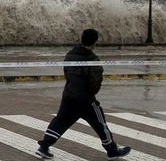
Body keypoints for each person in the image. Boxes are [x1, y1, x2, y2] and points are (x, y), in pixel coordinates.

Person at [36, 29, 131, 160]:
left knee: (60, 122)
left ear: (82, 39)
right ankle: (112, 150)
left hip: (69, 96)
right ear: (95, 42)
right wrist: (90, 93)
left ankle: (44, 147)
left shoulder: (70, 54)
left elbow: (67, 73)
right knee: (100, 124)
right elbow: (95, 83)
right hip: (86, 99)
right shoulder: (93, 60)